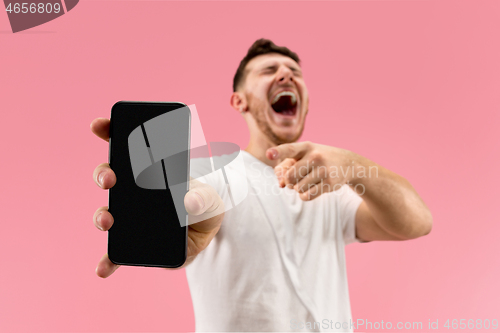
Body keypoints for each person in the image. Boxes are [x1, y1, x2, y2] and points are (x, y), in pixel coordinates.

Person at [90, 39, 432, 332]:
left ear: (306, 103)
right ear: (239, 101)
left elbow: (417, 222)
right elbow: (200, 197)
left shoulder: (331, 187)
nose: (286, 75)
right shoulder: (214, 173)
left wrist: (355, 167)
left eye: (295, 72)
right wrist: (182, 217)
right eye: (269, 70)